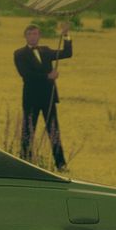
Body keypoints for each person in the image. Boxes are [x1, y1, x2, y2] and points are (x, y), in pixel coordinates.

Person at [14, 21, 73, 171]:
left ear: (39, 36)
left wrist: (66, 35)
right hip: (31, 98)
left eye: (35, 34)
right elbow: (26, 75)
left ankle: (61, 164)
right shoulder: (19, 54)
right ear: (25, 37)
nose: (32, 37)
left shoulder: (46, 50)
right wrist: (48, 76)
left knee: (54, 131)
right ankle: (25, 163)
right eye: (29, 34)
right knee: (28, 131)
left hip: (48, 97)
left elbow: (67, 54)